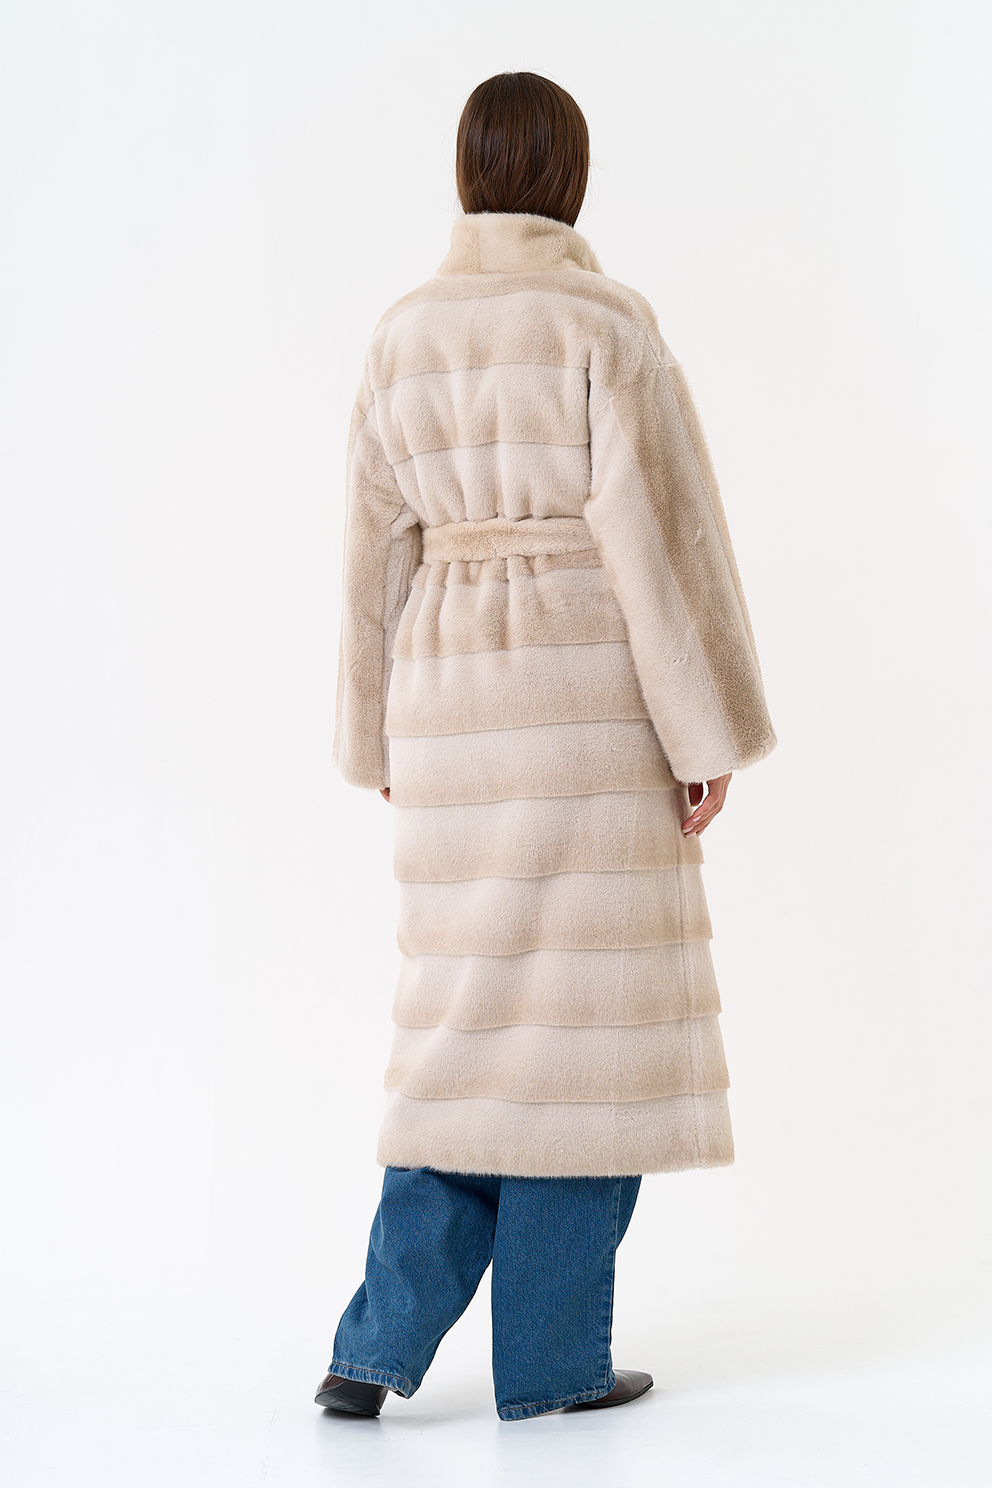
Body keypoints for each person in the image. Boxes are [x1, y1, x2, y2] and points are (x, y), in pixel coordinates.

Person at [317, 71, 777, 1423]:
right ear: (570, 179)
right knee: (584, 1039)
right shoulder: (603, 324)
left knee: (463, 1027)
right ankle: (553, 1362)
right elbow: (664, 543)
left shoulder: (401, 335)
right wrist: (705, 733)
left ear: (466, 174)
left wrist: (372, 733)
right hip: (584, 694)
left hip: (447, 700)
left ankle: (372, 1351)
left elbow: (369, 551)